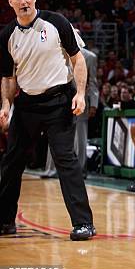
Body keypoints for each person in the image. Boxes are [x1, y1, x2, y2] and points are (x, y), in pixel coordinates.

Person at [0, 0, 96, 240]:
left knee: (66, 160)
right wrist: (6, 105)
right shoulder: (6, 35)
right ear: (10, 2)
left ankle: (84, 223)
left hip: (59, 100)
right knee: (11, 163)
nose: (23, 1)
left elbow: (78, 59)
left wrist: (80, 93)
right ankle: (5, 221)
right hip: (27, 104)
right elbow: (8, 77)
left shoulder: (56, 23)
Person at [42, 33, 99, 179]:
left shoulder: (90, 57)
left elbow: (93, 82)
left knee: (80, 135)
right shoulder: (57, 53)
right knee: (54, 132)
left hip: (80, 97)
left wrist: (94, 103)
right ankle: (51, 169)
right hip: (59, 98)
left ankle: (80, 170)